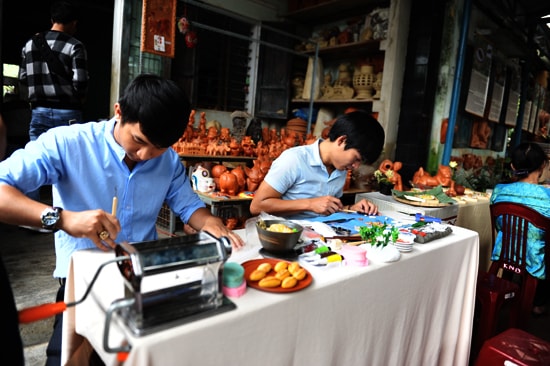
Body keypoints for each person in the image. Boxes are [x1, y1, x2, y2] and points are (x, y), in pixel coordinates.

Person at [0, 74, 244, 365]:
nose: (144, 155)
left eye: (158, 148)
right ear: (119, 112)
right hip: (85, 283)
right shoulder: (68, 143)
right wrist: (61, 218)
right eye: (139, 141)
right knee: (67, 357)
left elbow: (189, 206)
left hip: (143, 279)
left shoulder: (167, 161)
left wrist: (210, 223)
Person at [250, 110, 385, 220]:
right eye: (356, 158)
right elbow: (256, 207)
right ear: (342, 140)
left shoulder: (340, 169)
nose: (355, 166)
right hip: (287, 236)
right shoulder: (294, 159)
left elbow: (325, 208)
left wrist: (350, 209)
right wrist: (309, 204)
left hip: (320, 236)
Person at [490, 142, 550, 316]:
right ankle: (538, 303)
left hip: (505, 251)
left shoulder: (499, 191)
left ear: (513, 166)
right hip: (537, 257)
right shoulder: (547, 196)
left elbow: (499, 225)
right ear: (543, 166)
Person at [19, 0, 89, 141]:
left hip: (39, 112)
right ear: (74, 23)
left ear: (52, 20)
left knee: (38, 159)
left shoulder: (30, 44)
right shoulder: (75, 46)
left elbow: (22, 78)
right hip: (68, 113)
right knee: (68, 160)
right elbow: (81, 81)